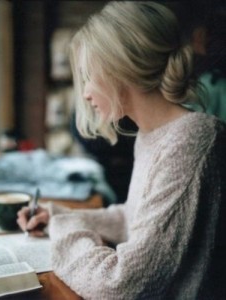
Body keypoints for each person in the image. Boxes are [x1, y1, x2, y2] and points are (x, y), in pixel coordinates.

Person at [17, 2, 226, 299]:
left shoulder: (194, 138)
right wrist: (58, 216)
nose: (86, 93)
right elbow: (133, 219)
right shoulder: (151, 135)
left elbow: (121, 284)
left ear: (120, 67)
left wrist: (65, 234)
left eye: (89, 76)